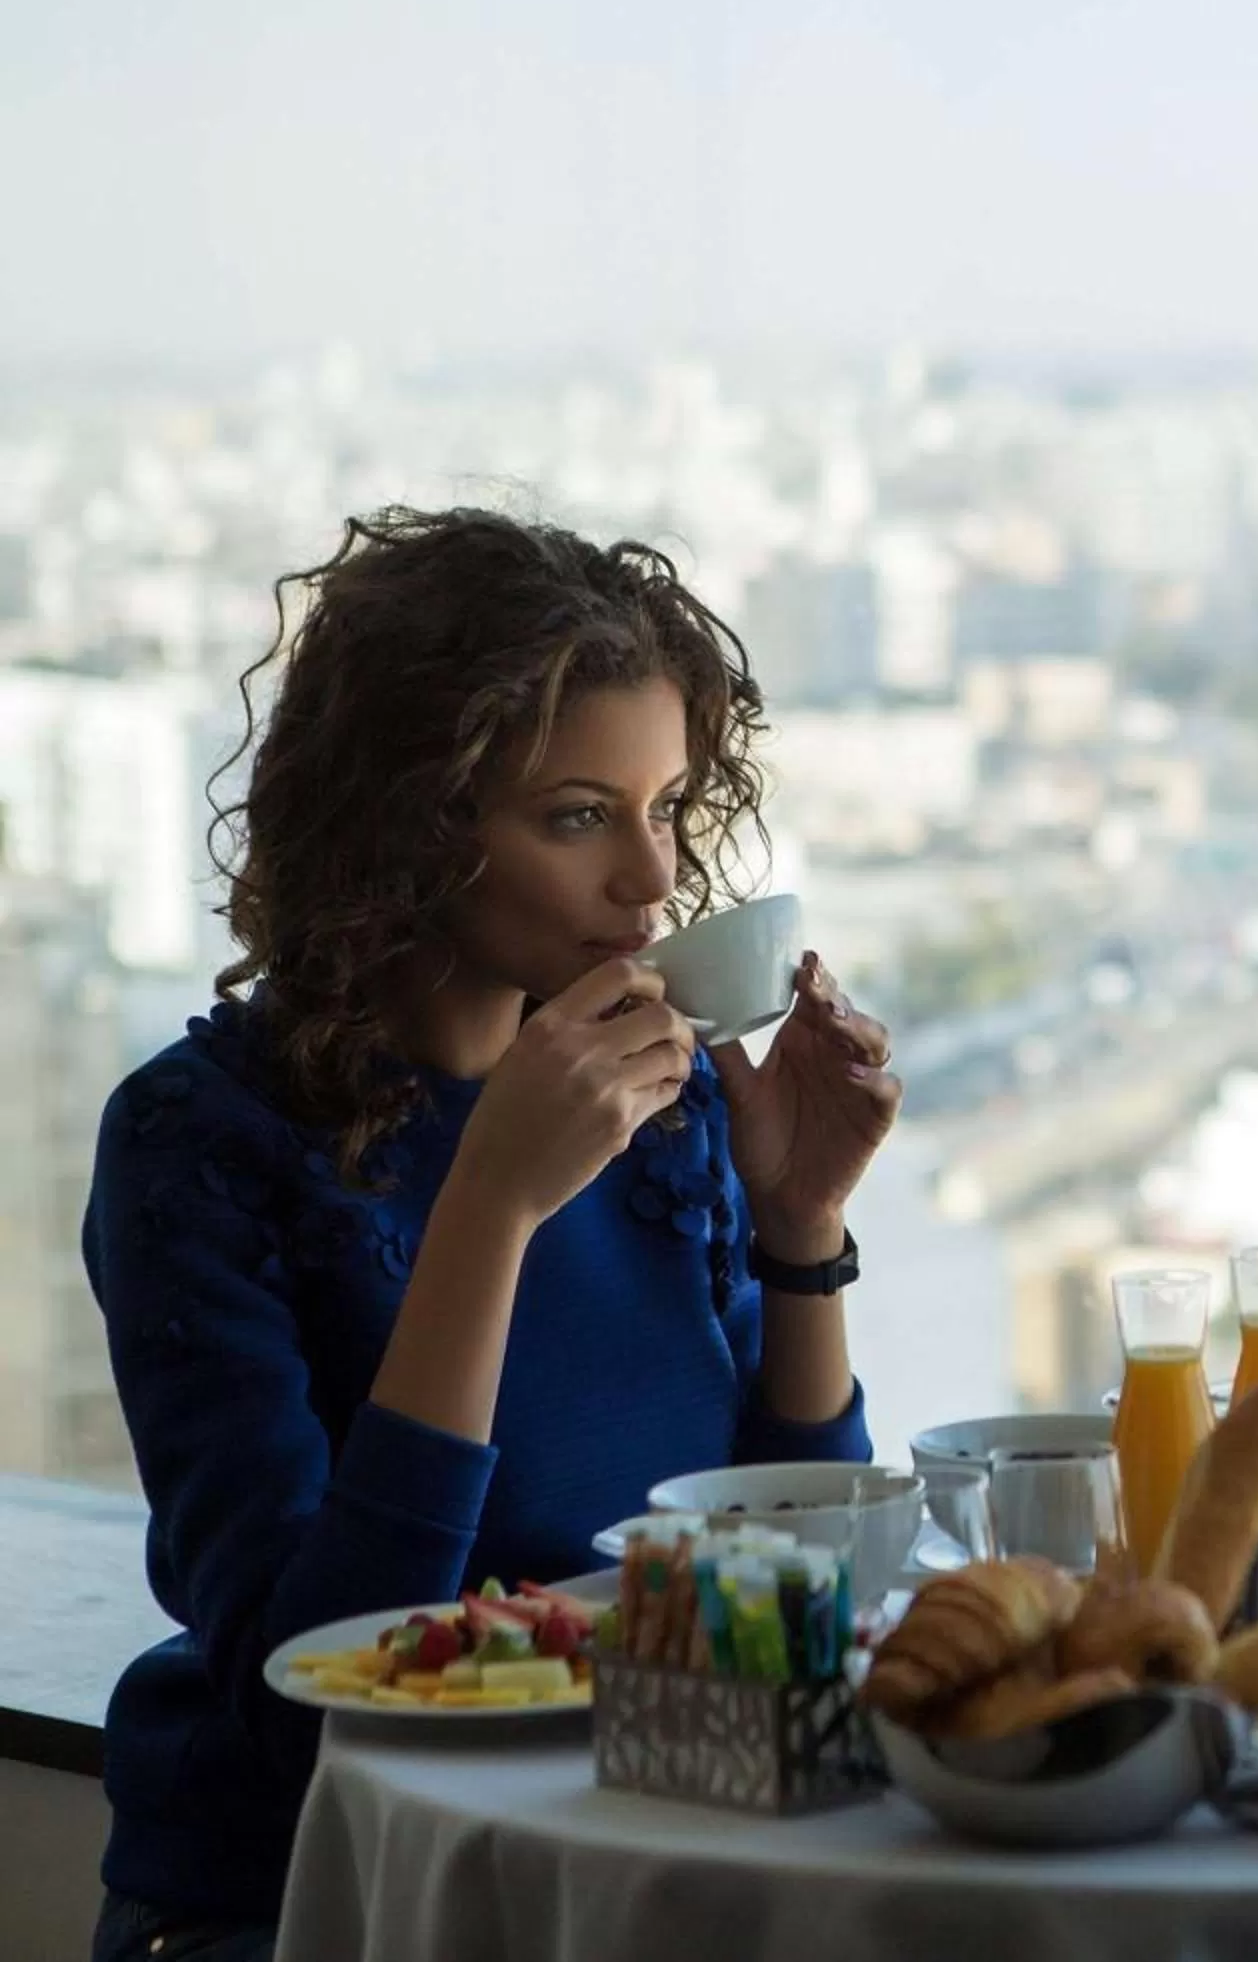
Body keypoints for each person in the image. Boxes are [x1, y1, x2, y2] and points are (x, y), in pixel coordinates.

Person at [78, 508, 899, 1961]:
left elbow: (795, 1587)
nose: (651, 883)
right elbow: (307, 1703)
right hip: (305, 1898)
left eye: (668, 808)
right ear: (405, 821)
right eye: (580, 814)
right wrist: (493, 1207)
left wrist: (801, 1225)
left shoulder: (661, 1101)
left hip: (620, 1856)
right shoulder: (197, 1141)